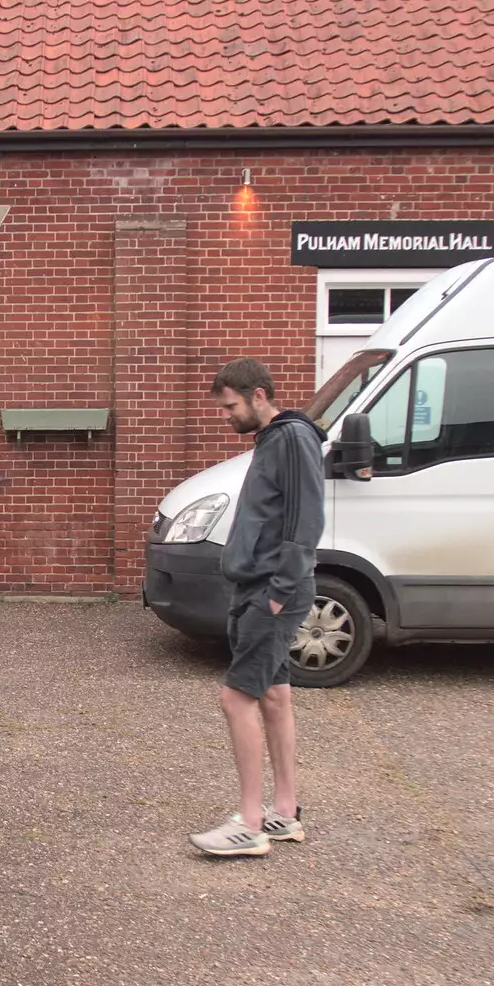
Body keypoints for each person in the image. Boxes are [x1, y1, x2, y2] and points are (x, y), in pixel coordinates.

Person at [190, 357, 326, 858]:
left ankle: (249, 823)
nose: (227, 416)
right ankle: (284, 813)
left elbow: (306, 520)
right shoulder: (273, 440)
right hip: (258, 587)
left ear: (260, 395)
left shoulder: (292, 439)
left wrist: (278, 590)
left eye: (231, 407)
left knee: (236, 698)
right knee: (273, 696)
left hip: (273, 591)